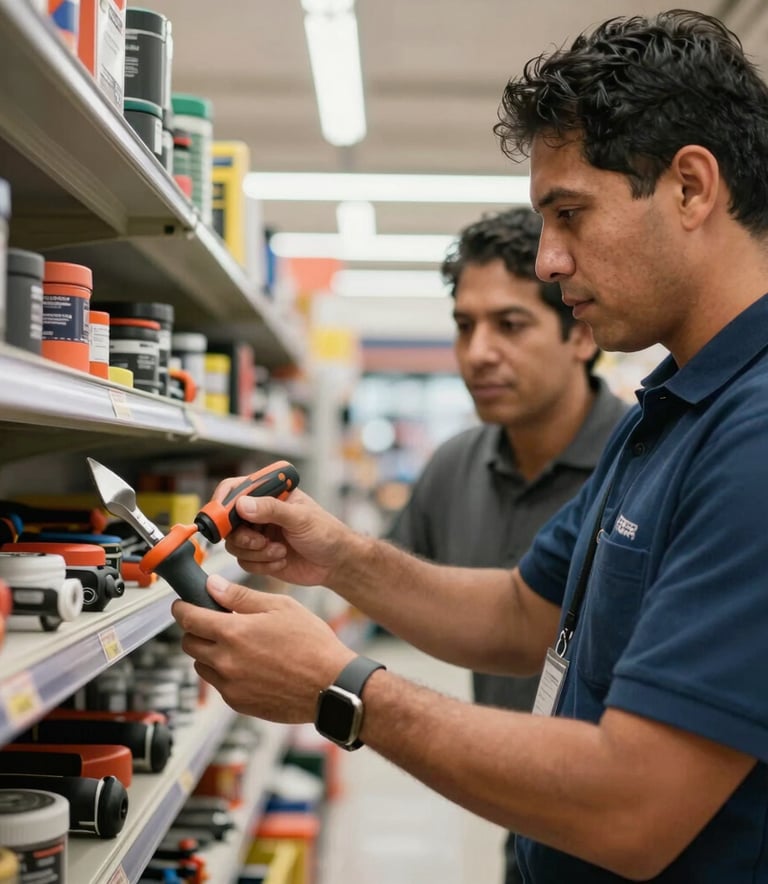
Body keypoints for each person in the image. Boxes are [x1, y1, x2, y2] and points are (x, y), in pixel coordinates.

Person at [172, 10, 768, 882]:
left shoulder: (752, 437)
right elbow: (523, 615)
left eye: (570, 214)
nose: (552, 259)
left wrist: (343, 690)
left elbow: (634, 807)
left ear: (690, 187)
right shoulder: (665, 413)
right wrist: (337, 554)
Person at [386, 206, 627, 882]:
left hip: (625, 832)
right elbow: (413, 597)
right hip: (521, 820)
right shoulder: (451, 467)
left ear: (580, 333)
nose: (478, 352)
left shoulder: (641, 463)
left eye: (510, 325)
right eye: (466, 326)